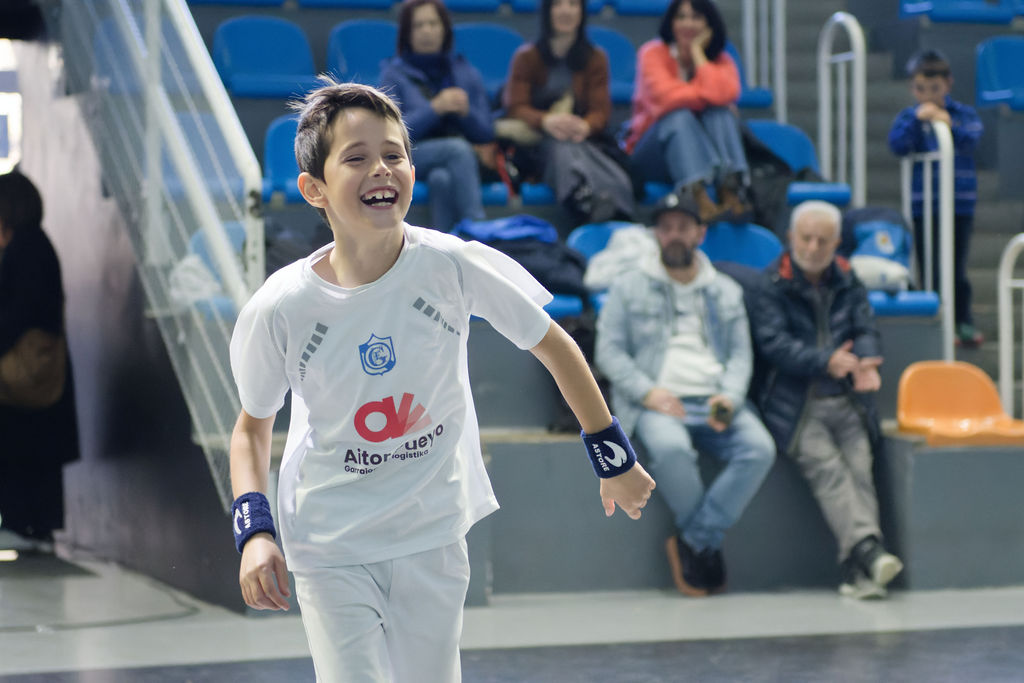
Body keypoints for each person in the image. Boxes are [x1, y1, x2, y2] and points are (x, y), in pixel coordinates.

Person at [227, 80, 655, 682]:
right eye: (356, 158)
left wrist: (613, 457)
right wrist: (254, 532)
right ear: (313, 189)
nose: (381, 169)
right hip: (329, 542)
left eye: (394, 154)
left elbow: (555, 344)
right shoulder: (282, 307)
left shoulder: (451, 265)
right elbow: (251, 429)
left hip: (432, 531)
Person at [594, 186, 774, 597]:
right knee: (672, 450)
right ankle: (704, 545)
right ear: (656, 235)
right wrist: (648, 393)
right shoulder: (628, 286)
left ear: (700, 233)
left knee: (759, 448)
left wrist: (730, 397)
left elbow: (740, 355)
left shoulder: (726, 290)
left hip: (715, 398)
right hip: (659, 403)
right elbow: (609, 351)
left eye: (683, 227)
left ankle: (694, 539)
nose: (673, 235)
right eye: (666, 228)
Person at [749, 200, 903, 600]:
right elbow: (774, 344)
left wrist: (866, 358)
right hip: (795, 405)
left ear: (837, 244)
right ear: (790, 238)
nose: (813, 247)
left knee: (861, 470)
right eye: (806, 238)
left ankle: (860, 569)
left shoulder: (849, 280)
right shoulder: (770, 284)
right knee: (830, 472)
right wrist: (826, 361)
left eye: (823, 240)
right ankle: (870, 551)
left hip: (848, 400)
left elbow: (865, 327)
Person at [502, 0, 636, 225]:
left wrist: (584, 126)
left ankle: (593, 200)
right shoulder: (526, 57)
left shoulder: (596, 57)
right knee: (561, 146)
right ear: (548, 11)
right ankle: (587, 203)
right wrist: (546, 121)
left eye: (573, 4)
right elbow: (515, 106)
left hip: (582, 139)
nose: (566, 11)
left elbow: (600, 112)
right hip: (538, 143)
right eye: (558, 4)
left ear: (582, 11)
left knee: (574, 146)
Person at [0, 168, 79, 546]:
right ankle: (36, 527)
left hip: (27, 369)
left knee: (20, 445)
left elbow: (20, 310)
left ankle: (21, 525)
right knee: (37, 451)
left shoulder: (25, 247)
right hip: (39, 369)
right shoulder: (33, 243)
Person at [887, 49, 984, 347]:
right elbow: (898, 144)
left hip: (959, 205)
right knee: (929, 264)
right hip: (924, 206)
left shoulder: (963, 114)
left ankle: (962, 321)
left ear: (948, 84)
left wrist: (948, 123)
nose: (928, 96)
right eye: (920, 89)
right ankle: (937, 321)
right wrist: (918, 121)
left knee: (957, 266)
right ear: (911, 88)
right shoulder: (909, 117)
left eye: (935, 88)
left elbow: (973, 137)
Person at [624, 0, 752, 223]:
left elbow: (730, 92)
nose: (687, 24)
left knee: (720, 113)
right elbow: (666, 99)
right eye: (681, 17)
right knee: (678, 116)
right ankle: (696, 198)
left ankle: (730, 190)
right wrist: (709, 95)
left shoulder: (722, 59)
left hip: (707, 153)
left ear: (709, 25)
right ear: (671, 22)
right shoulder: (652, 53)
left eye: (696, 17)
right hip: (652, 152)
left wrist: (697, 54)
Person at [378, 0, 492, 232]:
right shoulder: (393, 75)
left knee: (442, 179)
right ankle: (479, 230)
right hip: (410, 155)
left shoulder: (465, 72)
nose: (427, 31)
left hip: (459, 160)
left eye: (433, 24)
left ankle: (445, 244)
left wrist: (466, 113)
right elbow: (390, 133)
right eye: (418, 25)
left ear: (444, 29)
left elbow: (487, 132)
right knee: (457, 150)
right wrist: (435, 109)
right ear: (407, 34)